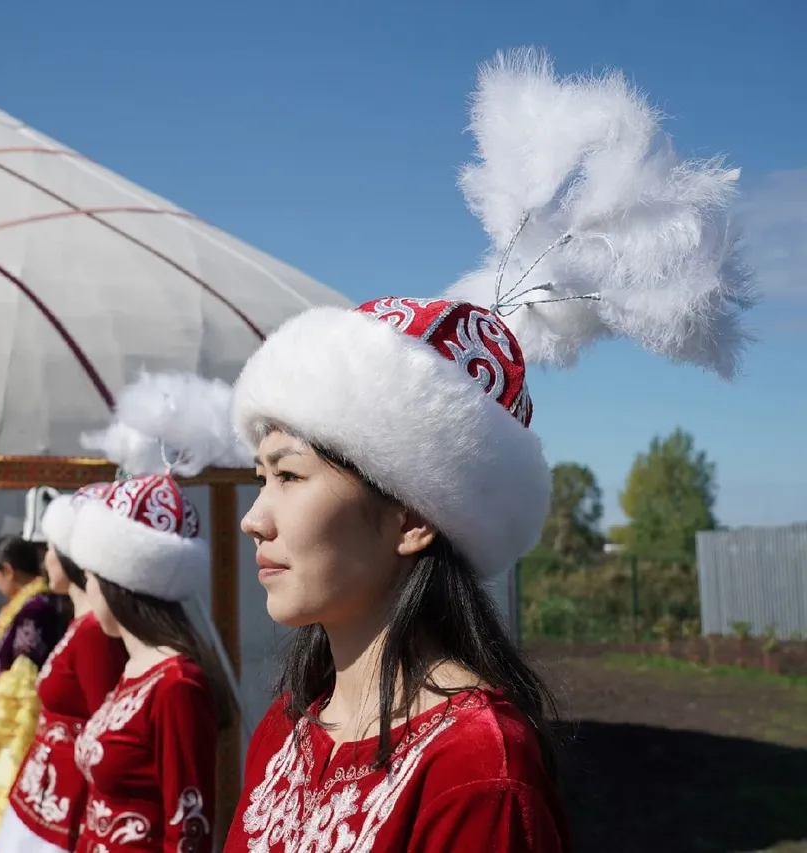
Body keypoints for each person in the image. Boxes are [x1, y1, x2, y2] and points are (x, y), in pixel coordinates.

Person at [222, 47, 756, 852]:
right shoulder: (288, 729)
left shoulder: (476, 769)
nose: (252, 517)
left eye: (290, 475)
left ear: (412, 515)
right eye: (259, 476)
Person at [66, 473, 236, 853]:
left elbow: (189, 826)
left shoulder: (177, 684)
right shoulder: (133, 669)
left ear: (114, 583)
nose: (86, 590)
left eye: (88, 577)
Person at [0, 483, 130, 853]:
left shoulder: (91, 632)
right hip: (47, 792)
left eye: (51, 549)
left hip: (68, 798)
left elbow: (102, 722)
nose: (45, 560)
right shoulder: (78, 625)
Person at [0, 534, 68, 853]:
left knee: (5, 800)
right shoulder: (39, 605)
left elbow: (22, 682)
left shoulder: (34, 611)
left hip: (23, 730)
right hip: (32, 724)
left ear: (8, 571)